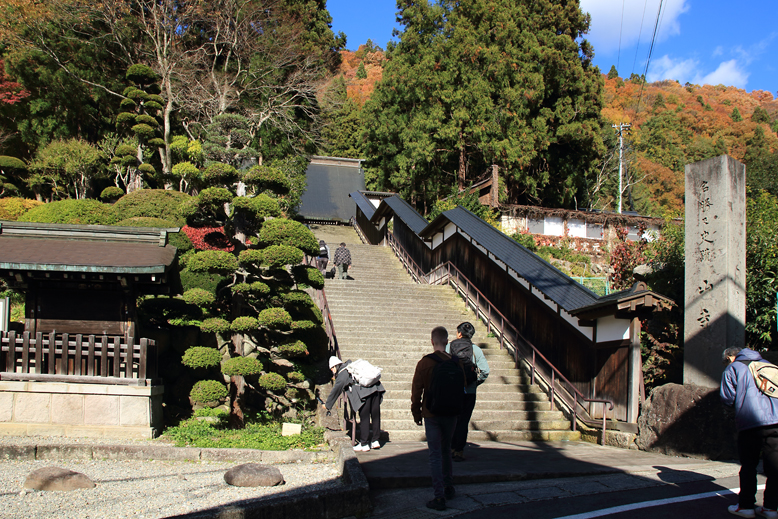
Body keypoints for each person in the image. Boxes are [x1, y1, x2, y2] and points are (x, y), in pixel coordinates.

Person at [721, 346, 778, 518]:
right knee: (775, 468)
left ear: (731, 356)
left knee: (748, 465)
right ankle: (771, 508)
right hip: (776, 422)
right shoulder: (767, 364)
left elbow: (728, 397)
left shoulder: (733, 368)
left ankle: (745, 506)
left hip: (750, 422)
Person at [411, 326, 459, 511]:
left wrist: (416, 413)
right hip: (452, 413)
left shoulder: (424, 363)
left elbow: (417, 391)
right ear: (447, 341)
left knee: (435, 455)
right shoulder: (456, 362)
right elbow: (461, 387)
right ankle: (449, 487)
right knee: (446, 450)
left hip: (431, 413)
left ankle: (439, 497)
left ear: (432, 341)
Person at [447, 321, 490, 462]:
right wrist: (476, 383)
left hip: (452, 390)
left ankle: (450, 448)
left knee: (452, 419)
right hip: (469, 391)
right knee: (463, 421)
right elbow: (485, 371)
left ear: (459, 333)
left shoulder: (449, 346)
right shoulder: (475, 350)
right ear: (471, 335)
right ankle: (459, 451)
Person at [323, 356, 385, 452]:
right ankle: (375, 440)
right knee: (375, 416)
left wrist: (327, 405)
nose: (332, 371)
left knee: (364, 417)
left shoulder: (343, 374)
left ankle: (364, 444)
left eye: (331, 368)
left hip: (364, 394)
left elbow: (336, 390)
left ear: (335, 366)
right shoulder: (351, 366)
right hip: (376, 390)